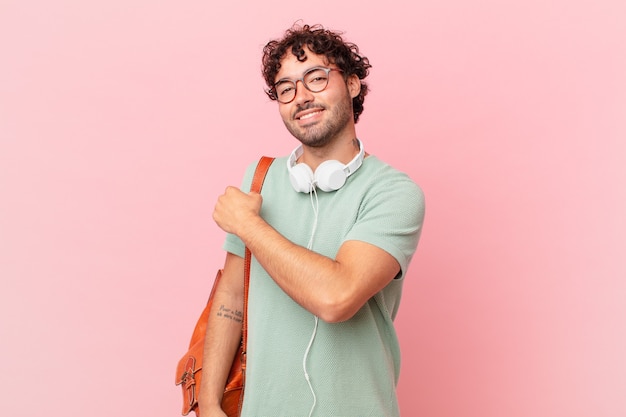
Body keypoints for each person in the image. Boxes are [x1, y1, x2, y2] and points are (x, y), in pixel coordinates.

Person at [198, 23, 425, 417]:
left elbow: (337, 298)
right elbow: (232, 297)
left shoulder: (394, 193)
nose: (301, 97)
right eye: (286, 88)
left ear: (353, 84)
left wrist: (249, 225)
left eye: (316, 78)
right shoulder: (260, 179)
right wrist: (210, 403)